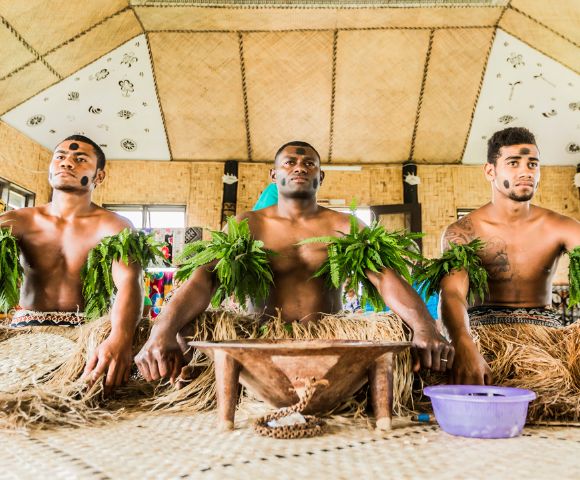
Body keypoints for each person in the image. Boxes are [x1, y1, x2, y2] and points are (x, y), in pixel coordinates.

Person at [136, 141, 452, 382]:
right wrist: (159, 332)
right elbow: (203, 280)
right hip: (259, 339)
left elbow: (385, 278)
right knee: (186, 333)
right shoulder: (248, 223)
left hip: (329, 338)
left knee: (399, 339)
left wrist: (425, 327)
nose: (299, 167)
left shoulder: (344, 225)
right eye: (290, 162)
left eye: (309, 163)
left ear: (320, 175)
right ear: (274, 174)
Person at [0, 135, 144, 390]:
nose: (67, 163)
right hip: (24, 332)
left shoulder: (113, 226)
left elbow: (130, 283)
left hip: (87, 333)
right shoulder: (18, 221)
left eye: (80, 159)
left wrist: (120, 339)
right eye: (60, 156)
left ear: (99, 176)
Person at [439, 127, 580, 385]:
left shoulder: (562, 227)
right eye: (513, 163)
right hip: (483, 334)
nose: (526, 171)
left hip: (546, 338)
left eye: (533, 164)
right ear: (490, 171)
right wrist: (462, 342)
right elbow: (452, 293)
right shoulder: (463, 232)